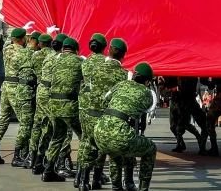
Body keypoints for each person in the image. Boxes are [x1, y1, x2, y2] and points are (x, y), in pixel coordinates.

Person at [94, 62, 157, 191]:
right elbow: (147, 110)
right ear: (147, 81)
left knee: (114, 152)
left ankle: (116, 187)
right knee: (150, 149)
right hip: (121, 135)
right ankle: (143, 188)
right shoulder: (147, 93)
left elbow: (105, 100)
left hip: (100, 132)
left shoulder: (121, 84)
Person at [78, 37, 130, 191]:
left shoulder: (94, 69)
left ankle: (83, 182)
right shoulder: (125, 74)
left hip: (91, 114)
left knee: (89, 146)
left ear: (110, 50)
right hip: (109, 118)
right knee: (112, 151)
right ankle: (104, 181)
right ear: (123, 55)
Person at [0, 27, 35, 167]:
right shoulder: (25, 52)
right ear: (23, 39)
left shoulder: (6, 50)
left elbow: (7, 41)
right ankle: (18, 154)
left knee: (2, 121)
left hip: (6, 87)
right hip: (17, 89)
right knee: (25, 123)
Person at [43, 37, 83, 183]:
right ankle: (82, 175)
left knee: (57, 137)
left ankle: (48, 170)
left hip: (53, 104)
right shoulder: (79, 61)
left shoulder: (54, 60)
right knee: (84, 137)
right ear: (75, 50)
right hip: (69, 105)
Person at [31, 32, 68, 176]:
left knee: (45, 126)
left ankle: (38, 161)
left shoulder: (47, 57)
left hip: (41, 91)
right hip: (52, 94)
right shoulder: (61, 59)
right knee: (61, 128)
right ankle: (61, 163)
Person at [26, 33, 54, 169]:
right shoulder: (54, 56)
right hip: (50, 92)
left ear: (40, 44)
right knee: (49, 125)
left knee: (36, 124)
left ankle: (31, 156)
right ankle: (42, 157)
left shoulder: (35, 55)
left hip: (39, 90)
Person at [166, 77, 207, 153]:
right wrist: (172, 90)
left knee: (183, 125)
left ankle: (197, 141)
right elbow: (164, 91)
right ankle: (182, 144)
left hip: (189, 101)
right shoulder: (171, 76)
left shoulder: (189, 75)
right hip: (176, 101)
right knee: (173, 127)